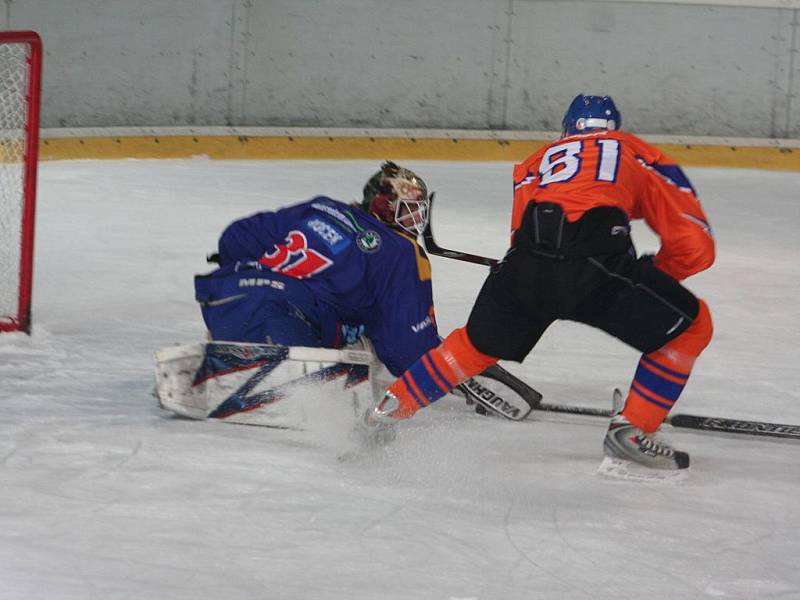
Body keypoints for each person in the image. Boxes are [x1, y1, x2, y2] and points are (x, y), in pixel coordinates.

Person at [363, 95, 715, 473]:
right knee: (691, 328)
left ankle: (385, 412)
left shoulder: (539, 160)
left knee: (472, 346)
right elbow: (694, 246)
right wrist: (654, 279)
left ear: (567, 129)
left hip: (526, 265)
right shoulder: (638, 153)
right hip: (596, 267)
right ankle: (634, 430)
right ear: (615, 129)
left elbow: (520, 236)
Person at [194, 161, 441, 378]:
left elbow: (236, 237)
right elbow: (405, 350)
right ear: (383, 207)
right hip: (286, 317)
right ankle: (270, 360)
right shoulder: (401, 250)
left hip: (225, 295)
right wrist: (441, 368)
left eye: (418, 212)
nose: (415, 221)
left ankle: (234, 345)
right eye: (408, 211)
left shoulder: (322, 208)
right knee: (363, 340)